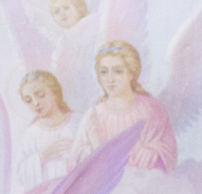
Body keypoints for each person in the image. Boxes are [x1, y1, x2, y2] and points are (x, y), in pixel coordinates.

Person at [71, 42, 178, 172]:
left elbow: (169, 149)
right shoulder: (94, 115)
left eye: (118, 72)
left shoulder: (151, 109)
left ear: (131, 73)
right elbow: (74, 159)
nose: (110, 79)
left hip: (145, 183)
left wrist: (153, 151)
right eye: (104, 72)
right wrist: (94, 149)